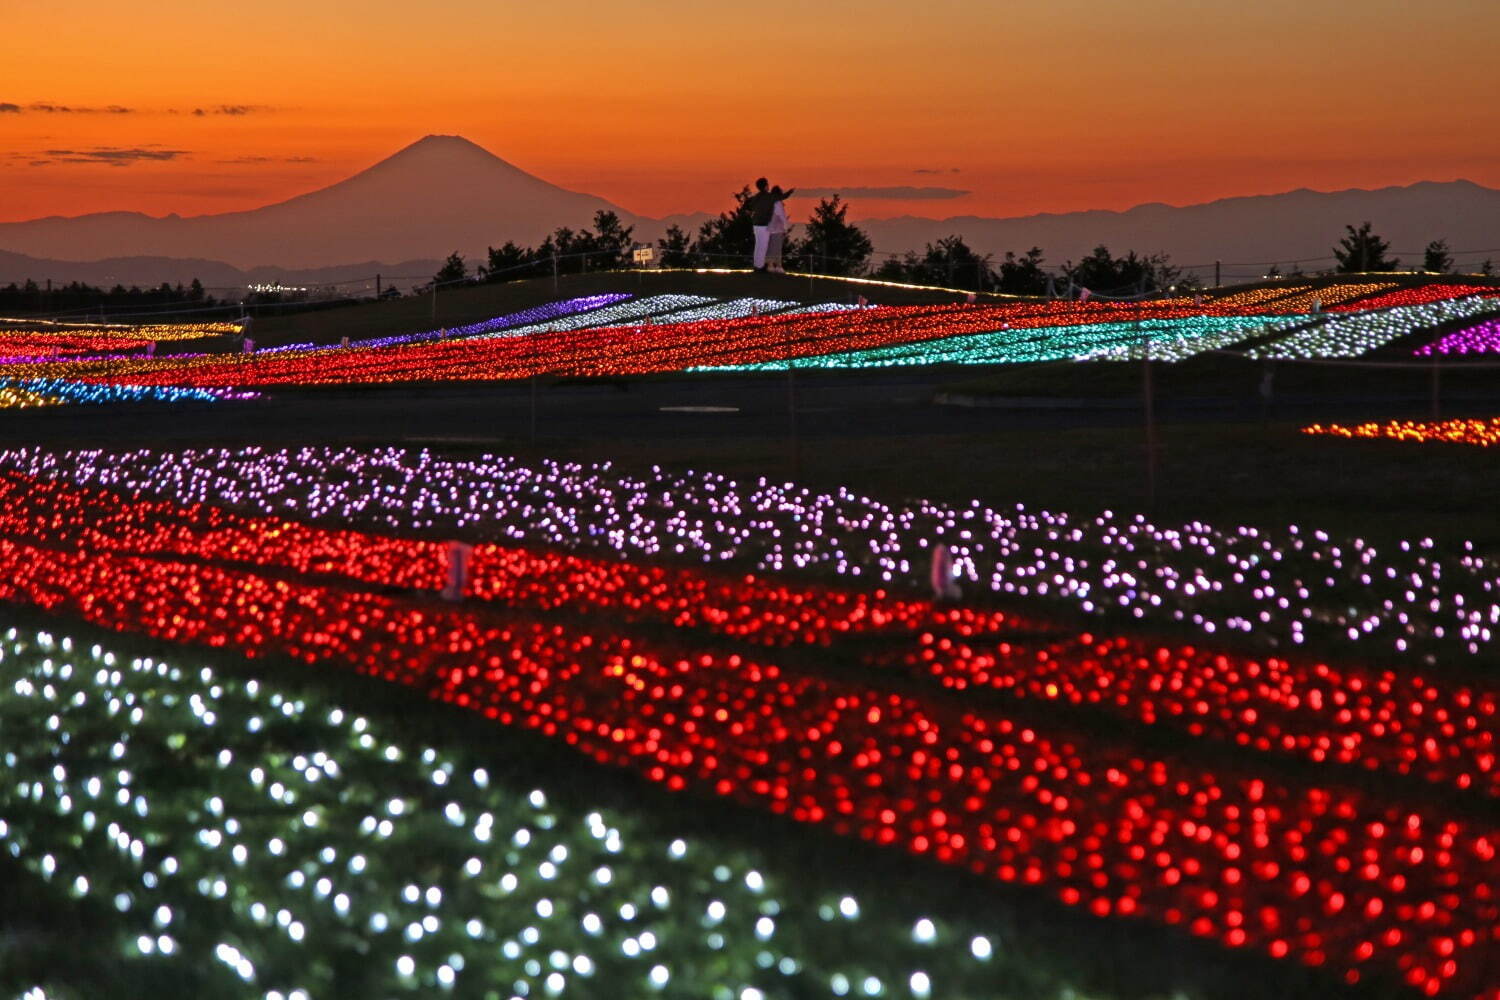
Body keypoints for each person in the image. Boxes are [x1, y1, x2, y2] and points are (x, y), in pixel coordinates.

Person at [745, 177, 794, 271]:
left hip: (756, 224)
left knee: (758, 245)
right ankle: (760, 266)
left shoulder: (756, 197)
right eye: (767, 184)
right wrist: (790, 192)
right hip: (763, 225)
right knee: (763, 246)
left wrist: (750, 212)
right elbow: (781, 197)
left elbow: (748, 204)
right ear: (765, 186)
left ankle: (757, 265)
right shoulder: (769, 197)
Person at [766, 187, 791, 273]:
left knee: (770, 248)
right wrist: (785, 228)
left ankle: (770, 265)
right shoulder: (778, 203)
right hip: (776, 229)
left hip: (768, 229)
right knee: (777, 248)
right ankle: (778, 266)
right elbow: (782, 217)